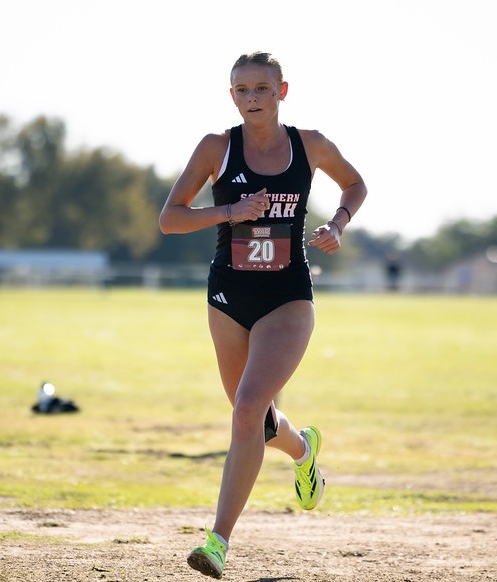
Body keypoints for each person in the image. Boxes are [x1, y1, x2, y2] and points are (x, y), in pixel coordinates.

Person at [158, 51, 367, 579]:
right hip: (228, 298)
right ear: (232, 96)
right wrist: (230, 211)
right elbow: (170, 219)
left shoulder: (310, 144)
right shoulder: (216, 148)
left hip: (288, 297)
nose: (253, 98)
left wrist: (338, 226)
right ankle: (303, 450)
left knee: (248, 408)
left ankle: (217, 543)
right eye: (242, 90)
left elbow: (356, 183)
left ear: (282, 92)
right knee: (256, 418)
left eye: (262, 89)